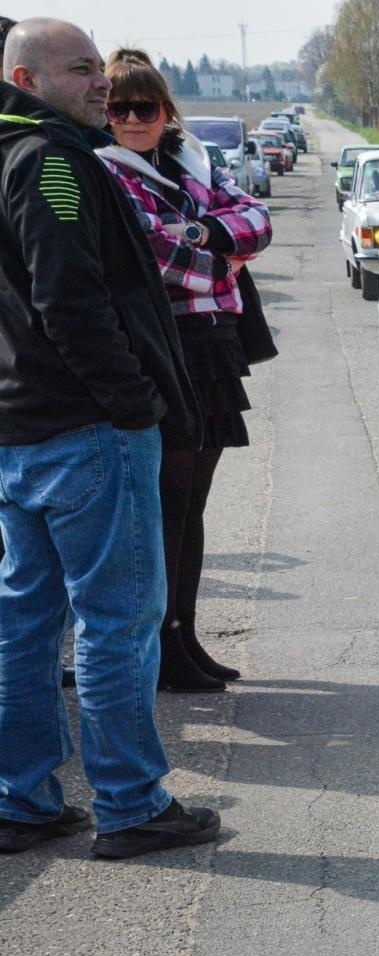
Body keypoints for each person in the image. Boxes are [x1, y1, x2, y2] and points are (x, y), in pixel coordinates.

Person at [0, 18, 219, 857]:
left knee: (25, 624)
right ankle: (131, 803)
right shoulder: (52, 162)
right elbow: (70, 302)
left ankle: (21, 801)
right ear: (26, 76)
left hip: (21, 432)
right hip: (82, 431)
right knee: (118, 621)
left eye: (101, 66)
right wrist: (133, 403)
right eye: (81, 69)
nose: (102, 82)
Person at [98, 48, 272, 692]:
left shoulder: (191, 159)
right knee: (165, 502)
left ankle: (186, 636)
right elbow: (147, 248)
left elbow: (257, 219)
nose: (132, 118)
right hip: (161, 342)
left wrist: (200, 234)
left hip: (213, 341)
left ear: (166, 111)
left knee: (193, 504)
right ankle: (164, 645)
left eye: (145, 107)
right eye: (119, 108)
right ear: (105, 114)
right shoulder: (105, 171)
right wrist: (218, 249)